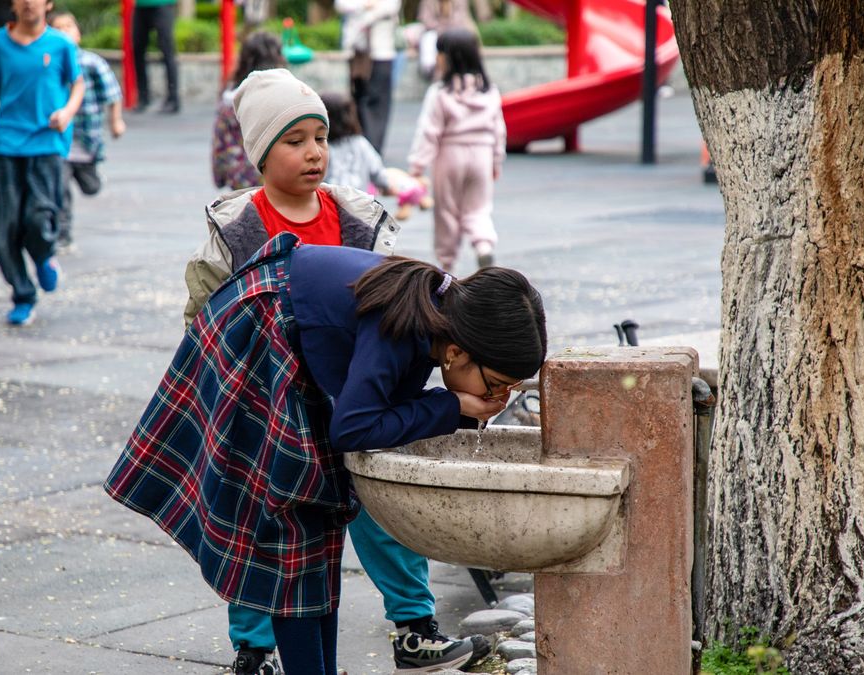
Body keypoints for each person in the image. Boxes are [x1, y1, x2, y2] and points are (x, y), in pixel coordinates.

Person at [106, 229, 547, 675]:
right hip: (259, 334)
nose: (500, 398)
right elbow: (354, 428)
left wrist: (457, 406)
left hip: (288, 336)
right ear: (456, 352)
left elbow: (375, 412)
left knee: (318, 518)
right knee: (293, 523)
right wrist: (451, 406)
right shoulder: (401, 324)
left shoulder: (440, 309)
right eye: (495, 385)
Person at [0, 0, 84, 326]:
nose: (27, 3)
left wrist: (66, 113)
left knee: (39, 217)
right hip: (8, 143)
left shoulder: (61, 44)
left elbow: (77, 84)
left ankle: (43, 256)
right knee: (2, 233)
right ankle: (23, 295)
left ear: (48, 4)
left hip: (47, 142)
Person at [408, 28, 505, 272]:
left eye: (440, 52)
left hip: (450, 155)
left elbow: (429, 131)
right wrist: (496, 162)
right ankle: (483, 246)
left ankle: (447, 264)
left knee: (447, 212)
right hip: (482, 155)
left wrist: (417, 167)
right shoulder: (489, 91)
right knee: (479, 209)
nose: (437, 57)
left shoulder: (441, 92)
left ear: (449, 57)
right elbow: (498, 130)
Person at [48, 11, 126, 251]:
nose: (64, 32)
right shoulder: (49, 62)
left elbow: (112, 94)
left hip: (87, 140)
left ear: (78, 33)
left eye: (68, 26)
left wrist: (116, 121)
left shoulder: (91, 62)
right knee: (60, 189)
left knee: (91, 187)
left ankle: (90, 175)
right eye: (57, 28)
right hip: (60, 140)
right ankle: (63, 235)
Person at [323, 92, 432, 222]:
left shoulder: (323, 147)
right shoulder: (360, 143)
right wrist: (390, 187)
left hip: (330, 207)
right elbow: (378, 172)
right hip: (360, 208)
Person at [211, 31, 285, 192]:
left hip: (240, 179)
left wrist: (220, 176)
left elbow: (221, 142)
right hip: (275, 177)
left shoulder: (230, 97)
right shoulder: (284, 96)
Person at [336, 0, 400, 154]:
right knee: (358, 99)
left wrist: (366, 13)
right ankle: (359, 146)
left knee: (378, 102)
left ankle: (373, 149)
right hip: (357, 52)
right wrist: (366, 6)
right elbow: (342, 5)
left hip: (382, 53)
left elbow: (390, 7)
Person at [131, 0, 180, 114]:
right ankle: (143, 97)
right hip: (141, 5)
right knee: (137, 50)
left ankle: (173, 99)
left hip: (162, 5)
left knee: (167, 51)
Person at [414, 0, 476, 80]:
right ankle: (430, 69)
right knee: (428, 38)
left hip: (455, 33)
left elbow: (460, 20)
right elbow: (426, 20)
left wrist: (445, 29)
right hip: (434, 32)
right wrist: (441, 29)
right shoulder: (428, 1)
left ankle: (463, 70)